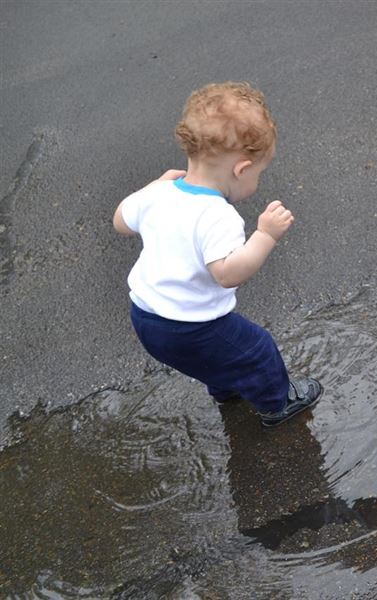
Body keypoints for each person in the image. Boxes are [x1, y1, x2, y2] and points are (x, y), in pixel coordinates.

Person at [112, 81, 322, 428]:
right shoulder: (218, 216)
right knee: (256, 350)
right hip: (189, 326)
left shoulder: (159, 192)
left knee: (217, 355)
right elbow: (227, 274)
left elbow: (120, 221)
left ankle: (227, 388)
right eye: (258, 173)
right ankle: (278, 404)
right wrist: (265, 235)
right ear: (241, 169)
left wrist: (150, 188)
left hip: (145, 317)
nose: (257, 180)